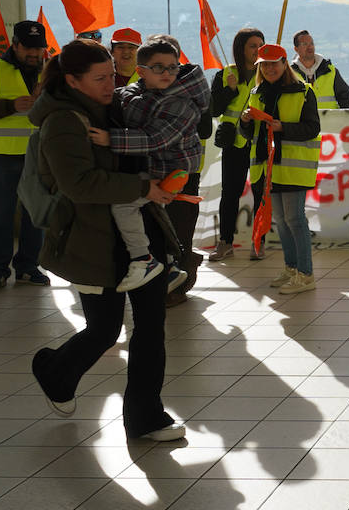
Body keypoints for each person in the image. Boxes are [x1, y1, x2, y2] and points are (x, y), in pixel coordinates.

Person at [27, 39, 184, 442]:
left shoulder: (116, 106)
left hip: (138, 235)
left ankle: (146, 417)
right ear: (72, 81)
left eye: (112, 74)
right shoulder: (62, 121)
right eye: (100, 78)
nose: (110, 84)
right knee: (105, 328)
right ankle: (54, 370)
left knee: (151, 326)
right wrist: (142, 187)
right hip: (92, 238)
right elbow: (77, 184)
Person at [90, 37, 204, 292]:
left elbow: (156, 138)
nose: (167, 73)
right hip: (157, 165)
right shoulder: (146, 93)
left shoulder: (181, 102)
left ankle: (144, 259)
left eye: (172, 67)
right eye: (159, 67)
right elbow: (128, 97)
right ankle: (171, 264)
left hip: (166, 168)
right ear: (141, 72)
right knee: (155, 217)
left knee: (124, 204)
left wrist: (111, 139)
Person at [0, 19, 48, 291]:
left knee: (35, 215)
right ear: (14, 45)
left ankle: (28, 267)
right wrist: (10, 106)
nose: (34, 54)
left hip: (40, 154)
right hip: (5, 155)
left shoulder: (50, 71)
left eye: (39, 49)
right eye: (28, 48)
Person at [241, 44, 320, 294]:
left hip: (293, 168)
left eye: (274, 63)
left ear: (285, 64)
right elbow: (247, 133)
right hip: (267, 167)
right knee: (282, 222)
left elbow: (312, 128)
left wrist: (282, 127)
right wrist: (244, 122)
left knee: (295, 220)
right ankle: (292, 268)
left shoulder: (304, 92)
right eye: (264, 64)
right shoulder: (256, 93)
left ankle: (305, 274)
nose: (269, 68)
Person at [144, 34, 212, 307]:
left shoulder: (191, 90)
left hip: (185, 173)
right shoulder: (144, 88)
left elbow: (205, 127)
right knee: (154, 233)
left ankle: (180, 282)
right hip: (152, 172)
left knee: (179, 231)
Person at [209, 27, 265, 262]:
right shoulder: (226, 74)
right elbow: (214, 109)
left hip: (259, 142)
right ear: (241, 49)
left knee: (260, 193)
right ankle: (225, 242)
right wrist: (229, 90)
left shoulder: (268, 73)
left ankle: (258, 243)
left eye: (261, 45)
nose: (258, 50)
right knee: (229, 193)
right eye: (253, 46)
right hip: (234, 143)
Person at [290, 29, 349, 108]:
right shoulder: (290, 74)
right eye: (305, 44)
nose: (310, 47)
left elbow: (346, 96)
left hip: (329, 119)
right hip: (303, 120)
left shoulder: (330, 70)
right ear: (296, 49)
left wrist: (346, 118)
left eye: (312, 43)